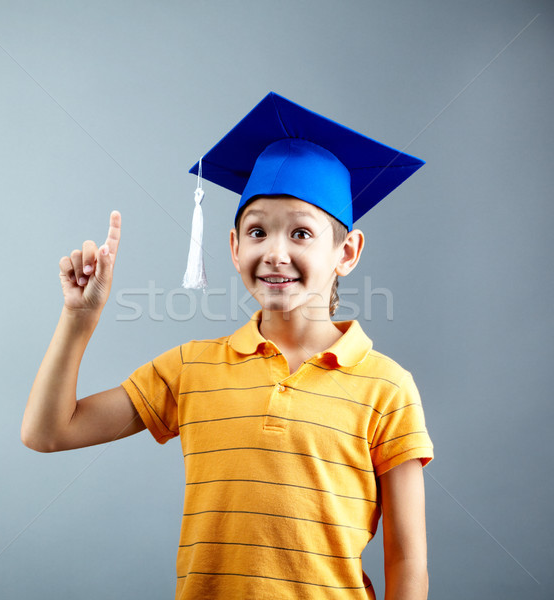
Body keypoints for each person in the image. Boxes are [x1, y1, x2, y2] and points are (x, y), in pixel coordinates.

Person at [22, 92, 434, 599]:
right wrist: (78, 320)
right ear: (235, 247)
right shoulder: (190, 368)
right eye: (257, 230)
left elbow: (407, 556)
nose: (275, 252)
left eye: (302, 233)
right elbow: (47, 433)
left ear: (346, 252)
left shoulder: (387, 388)